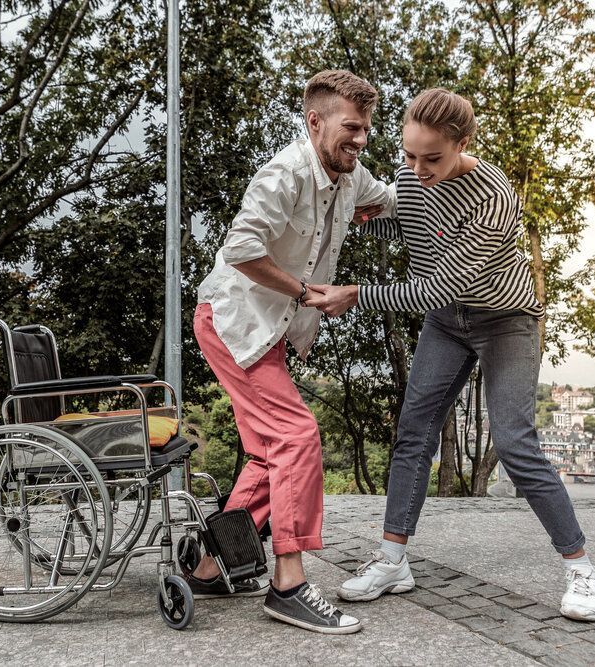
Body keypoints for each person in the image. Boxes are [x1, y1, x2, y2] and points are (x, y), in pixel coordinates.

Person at [302, 88, 595, 622]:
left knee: (515, 442)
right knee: (413, 433)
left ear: (463, 143)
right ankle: (394, 560)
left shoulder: (493, 193)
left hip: (504, 321)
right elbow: (418, 223)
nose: (417, 170)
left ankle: (581, 567)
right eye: (408, 156)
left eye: (432, 158)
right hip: (447, 324)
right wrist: (381, 215)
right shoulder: (410, 181)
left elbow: (443, 283)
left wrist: (357, 295)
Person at [189, 70, 396, 634]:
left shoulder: (352, 178)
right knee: (297, 436)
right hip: (235, 324)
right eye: (351, 128)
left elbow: (394, 200)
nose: (361, 139)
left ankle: (210, 568)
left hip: (271, 333)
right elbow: (241, 250)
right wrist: (308, 294)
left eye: (367, 130)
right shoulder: (283, 175)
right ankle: (289, 585)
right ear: (315, 122)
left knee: (267, 453)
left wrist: (452, 179)